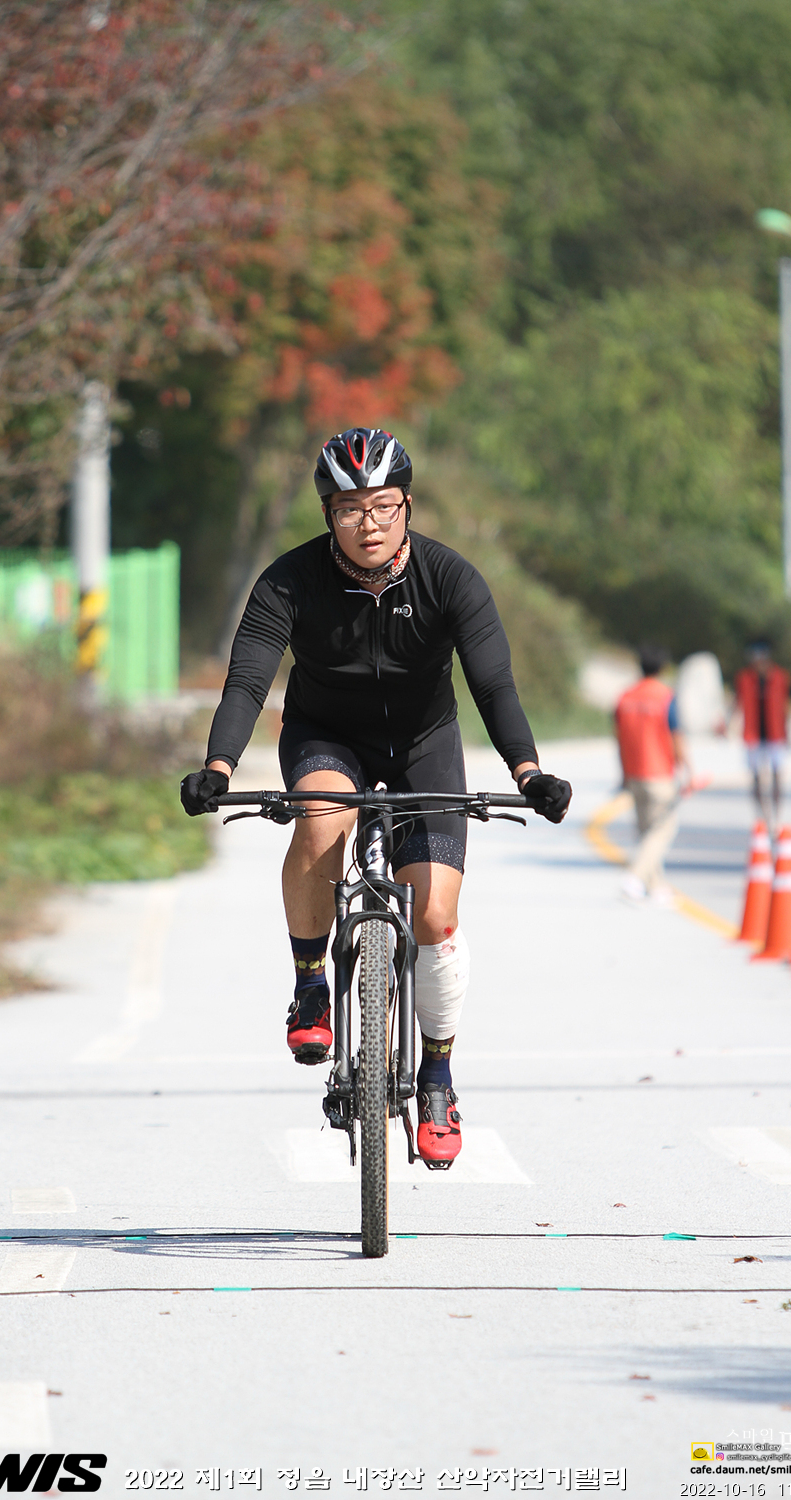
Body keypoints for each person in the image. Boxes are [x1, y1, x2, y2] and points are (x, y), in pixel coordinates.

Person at [181, 428, 572, 1168]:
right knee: (321, 819)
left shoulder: (450, 578)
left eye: (383, 506)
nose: (369, 523)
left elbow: (493, 684)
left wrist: (528, 773)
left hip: (424, 744)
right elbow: (248, 680)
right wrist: (220, 766)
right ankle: (310, 984)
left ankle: (437, 1078)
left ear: (407, 506)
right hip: (327, 737)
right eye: (350, 509)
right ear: (328, 515)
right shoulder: (288, 581)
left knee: (436, 917)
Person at [614, 646, 692, 906]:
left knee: (646, 831)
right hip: (659, 774)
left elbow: (619, 738)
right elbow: (676, 736)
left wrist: (623, 773)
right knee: (663, 830)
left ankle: (656, 886)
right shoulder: (665, 696)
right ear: (663, 667)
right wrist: (688, 768)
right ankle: (634, 878)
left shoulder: (625, 697)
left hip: (634, 773)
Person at [729, 641, 790, 832]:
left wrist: (788, 732)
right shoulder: (745, 678)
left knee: (777, 775)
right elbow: (737, 702)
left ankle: (777, 815)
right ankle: (761, 816)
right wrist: (728, 723)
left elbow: (785, 706)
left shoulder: (779, 677)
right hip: (753, 733)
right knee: (755, 776)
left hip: (775, 732)